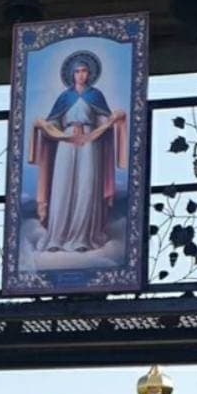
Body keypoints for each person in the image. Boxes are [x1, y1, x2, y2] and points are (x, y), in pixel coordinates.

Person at [27, 50, 127, 254]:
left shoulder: (96, 95)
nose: (81, 75)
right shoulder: (64, 97)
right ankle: (57, 236)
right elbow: (54, 121)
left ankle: (83, 237)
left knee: (86, 186)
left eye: (84, 71)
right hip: (66, 141)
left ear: (89, 74)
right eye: (77, 71)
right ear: (71, 75)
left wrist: (111, 120)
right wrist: (44, 125)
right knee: (62, 187)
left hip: (90, 142)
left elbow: (103, 121)